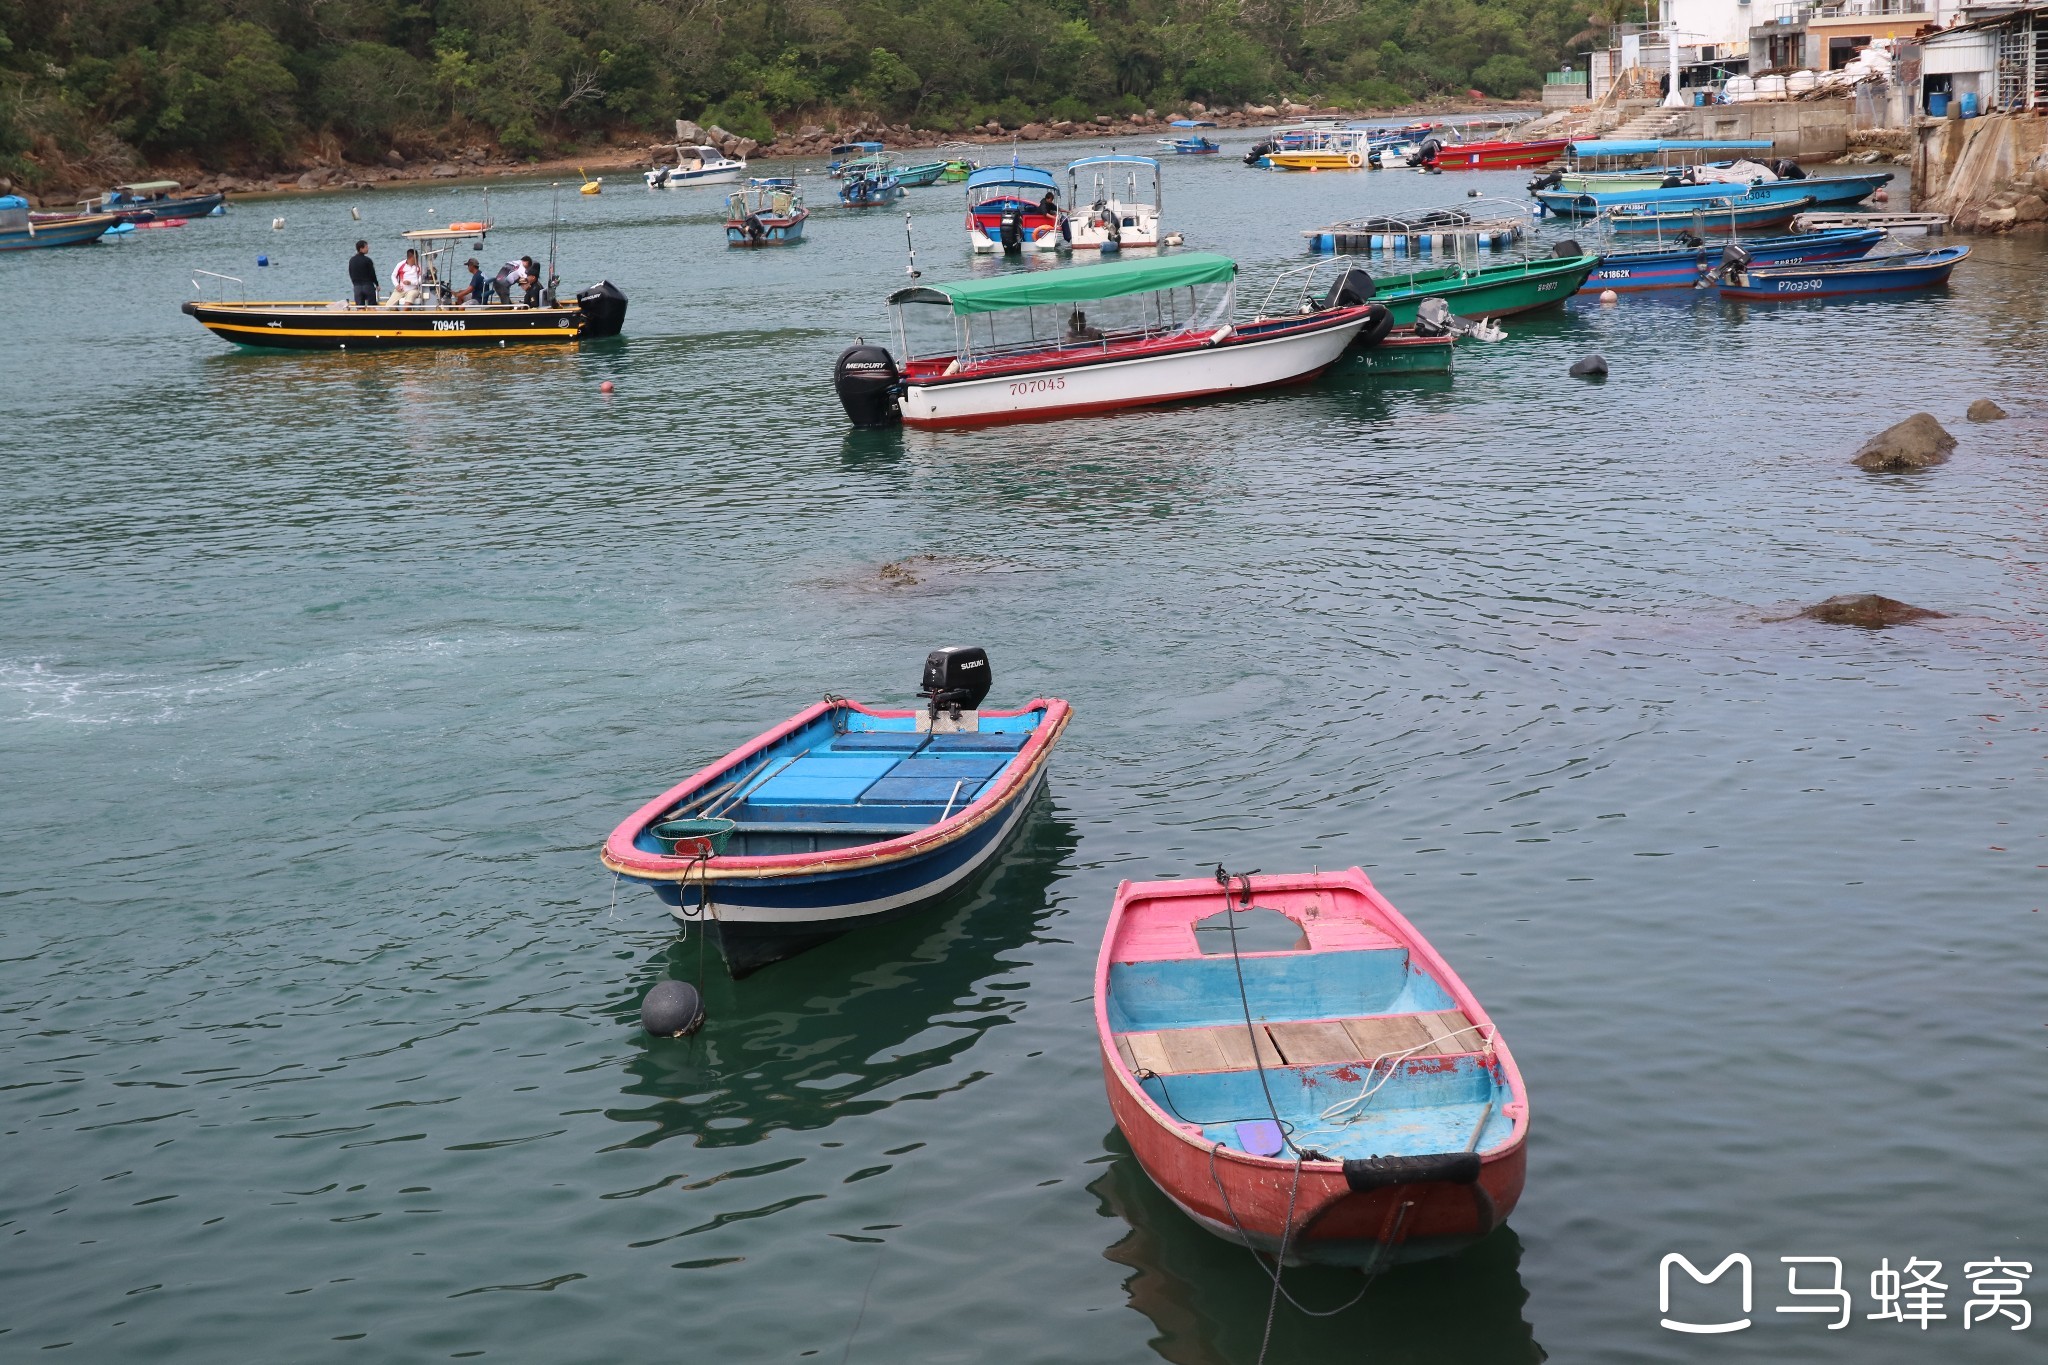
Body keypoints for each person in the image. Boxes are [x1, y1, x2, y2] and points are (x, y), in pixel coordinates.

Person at [347, 240, 377, 305]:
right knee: (371, 307)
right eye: (366, 247)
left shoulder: (352, 260)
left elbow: (351, 273)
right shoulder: (367, 260)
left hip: (357, 287)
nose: (368, 249)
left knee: (360, 308)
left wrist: (355, 284)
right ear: (361, 249)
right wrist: (377, 284)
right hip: (368, 286)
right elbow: (372, 274)